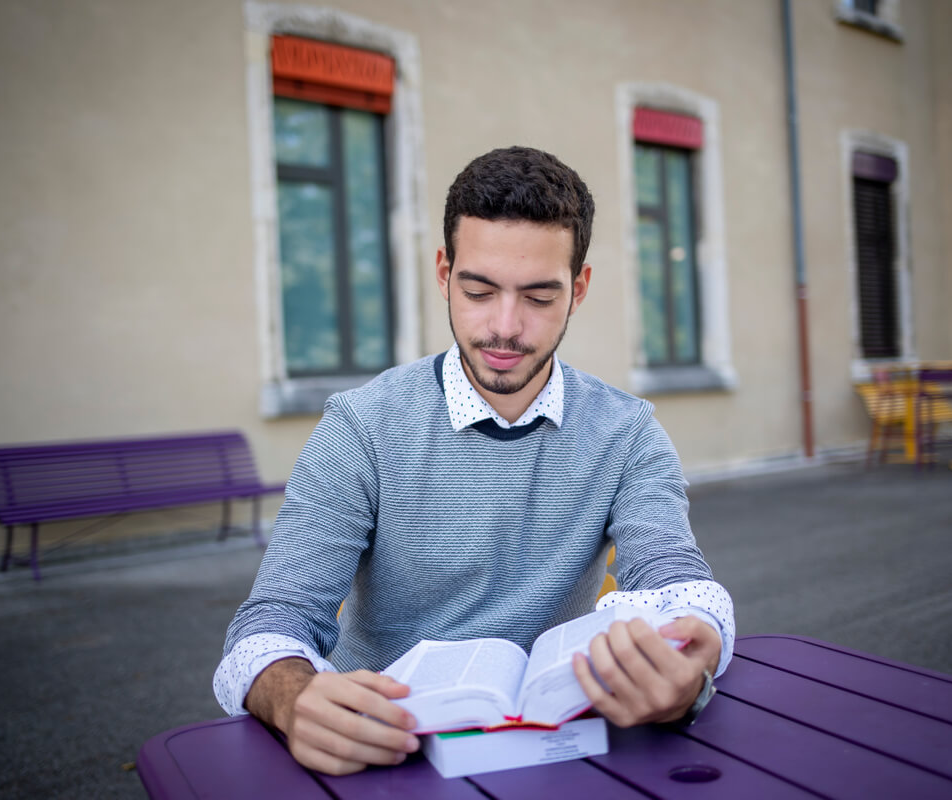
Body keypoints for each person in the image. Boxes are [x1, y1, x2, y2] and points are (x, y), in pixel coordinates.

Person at [214, 145, 735, 776]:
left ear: (580, 288)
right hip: (379, 756)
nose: (505, 328)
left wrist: (697, 644)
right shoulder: (362, 425)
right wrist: (294, 698)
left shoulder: (626, 431)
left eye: (540, 297)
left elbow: (676, 576)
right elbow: (275, 618)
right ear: (443, 273)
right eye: (480, 290)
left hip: (555, 751)